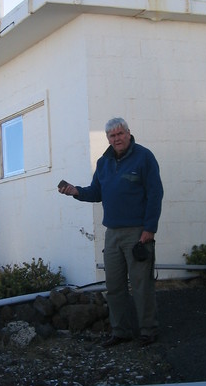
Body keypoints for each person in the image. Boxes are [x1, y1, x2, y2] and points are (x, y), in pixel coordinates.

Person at [58, 117, 164, 347]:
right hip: (112, 233)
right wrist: (76, 191)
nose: (117, 139)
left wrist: (150, 229)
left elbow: (155, 194)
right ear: (107, 138)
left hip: (138, 233)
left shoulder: (144, 157)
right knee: (114, 286)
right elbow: (96, 192)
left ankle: (148, 331)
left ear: (128, 133)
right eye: (112, 136)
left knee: (141, 285)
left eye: (120, 134)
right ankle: (121, 331)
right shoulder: (103, 163)